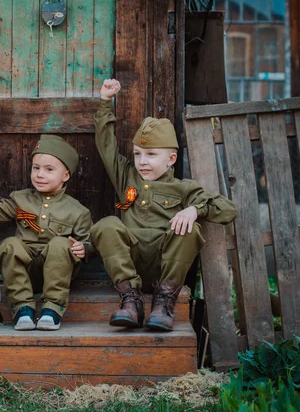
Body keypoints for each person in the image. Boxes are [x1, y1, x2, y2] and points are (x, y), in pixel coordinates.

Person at [91, 79, 237, 331]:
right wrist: (105, 102)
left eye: (151, 154)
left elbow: (228, 210)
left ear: (171, 159)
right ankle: (131, 302)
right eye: (137, 154)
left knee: (190, 230)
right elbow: (106, 146)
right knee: (106, 225)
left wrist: (195, 209)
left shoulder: (183, 188)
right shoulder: (127, 176)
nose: (142, 162)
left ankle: (163, 304)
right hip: (130, 265)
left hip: (165, 268)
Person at [0, 135, 92, 331]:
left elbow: (88, 242)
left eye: (49, 170)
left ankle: (52, 309)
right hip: (23, 272)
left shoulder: (77, 211)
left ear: (66, 176)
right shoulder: (20, 199)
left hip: (57, 273)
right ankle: (23, 309)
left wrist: (84, 248)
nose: (39, 174)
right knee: (11, 244)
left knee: (60, 244)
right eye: (35, 168)